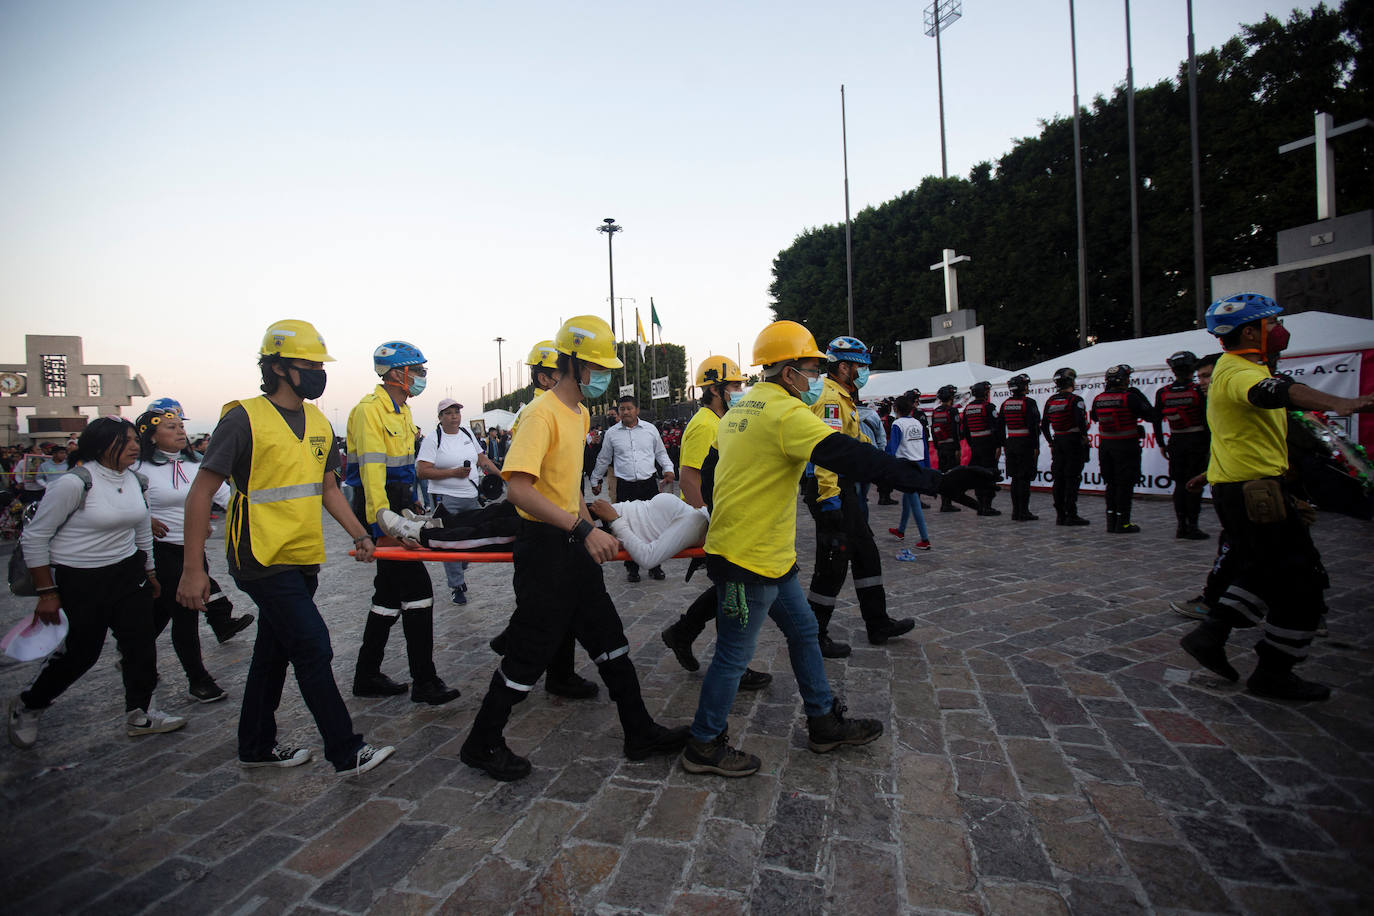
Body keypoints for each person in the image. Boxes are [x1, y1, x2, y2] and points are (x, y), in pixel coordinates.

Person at [681, 321, 950, 777]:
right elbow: (852, 456)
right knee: (732, 655)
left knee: (805, 632)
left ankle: (823, 721)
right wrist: (933, 480)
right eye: (812, 368)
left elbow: (710, 474)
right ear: (788, 372)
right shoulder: (786, 414)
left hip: (767, 555)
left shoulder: (739, 412)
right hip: (748, 560)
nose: (818, 378)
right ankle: (703, 744)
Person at [459, 315, 688, 781]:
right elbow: (519, 489)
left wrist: (602, 527)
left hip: (570, 543)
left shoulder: (580, 413)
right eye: (598, 366)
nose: (605, 375)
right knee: (527, 653)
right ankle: (481, 743)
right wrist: (583, 531)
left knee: (610, 638)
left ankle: (639, 731)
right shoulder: (540, 413)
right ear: (574, 363)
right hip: (544, 550)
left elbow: (565, 490)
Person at [178, 319, 393, 775]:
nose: (318, 372)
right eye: (308, 364)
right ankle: (346, 750)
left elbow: (329, 489)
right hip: (258, 555)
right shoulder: (243, 418)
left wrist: (360, 534)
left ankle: (255, 746)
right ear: (277, 367)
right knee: (312, 643)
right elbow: (201, 493)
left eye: (320, 364)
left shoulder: (318, 421)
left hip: (301, 554)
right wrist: (193, 568)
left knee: (273, 651)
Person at [1178, 294, 1374, 701]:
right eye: (1274, 322)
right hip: (1254, 493)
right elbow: (1276, 391)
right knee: (1302, 585)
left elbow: (1235, 436)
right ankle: (1274, 672)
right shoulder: (1237, 371)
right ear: (1251, 331)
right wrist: (1343, 402)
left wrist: (1209, 473)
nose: (1281, 329)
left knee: (1262, 569)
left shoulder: (1237, 370)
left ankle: (1211, 634)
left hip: (1247, 487)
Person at [8, 417, 186, 750]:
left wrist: (149, 572)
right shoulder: (74, 483)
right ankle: (30, 704)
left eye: (136, 439)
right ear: (102, 444)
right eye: (126, 440)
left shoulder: (135, 480)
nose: (135, 446)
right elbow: (35, 537)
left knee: (140, 644)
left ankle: (141, 712)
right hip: (81, 578)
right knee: (81, 652)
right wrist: (47, 592)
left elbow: (141, 528)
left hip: (128, 573)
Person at [345, 341, 460, 706]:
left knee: (387, 596)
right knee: (419, 593)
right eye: (419, 371)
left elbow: (404, 468)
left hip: (398, 505)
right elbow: (371, 472)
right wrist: (386, 521)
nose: (423, 377)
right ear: (397, 373)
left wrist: (414, 504)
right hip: (379, 510)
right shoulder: (369, 412)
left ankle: (366, 674)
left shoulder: (403, 412)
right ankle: (424, 681)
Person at [657, 356, 772, 689]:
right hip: (710, 519)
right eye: (734, 385)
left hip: (723, 517)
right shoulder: (705, 424)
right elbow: (690, 478)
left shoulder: (722, 419)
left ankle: (683, 634)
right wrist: (711, 520)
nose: (739, 390)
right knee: (735, 588)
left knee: (728, 588)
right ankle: (733, 663)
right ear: (714, 389)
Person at [802, 336, 914, 658]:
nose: (864, 372)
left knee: (866, 553)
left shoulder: (843, 396)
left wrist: (881, 460)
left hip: (842, 486)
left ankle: (878, 624)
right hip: (830, 488)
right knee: (833, 561)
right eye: (860, 366)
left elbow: (854, 440)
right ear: (843, 367)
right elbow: (826, 453)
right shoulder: (830, 398)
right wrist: (830, 499)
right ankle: (813, 633)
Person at [134, 407, 254, 704]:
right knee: (185, 614)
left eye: (180, 426)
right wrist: (145, 519)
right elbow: (125, 504)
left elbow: (226, 498)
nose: (179, 431)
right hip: (159, 551)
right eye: (170, 427)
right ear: (151, 436)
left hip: (193, 548)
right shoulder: (138, 470)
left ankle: (134, 651)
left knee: (162, 612)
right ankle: (198, 679)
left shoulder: (199, 463)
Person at [417, 398, 500, 605]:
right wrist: (452, 473)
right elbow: (422, 471)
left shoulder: (466, 433)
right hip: (446, 499)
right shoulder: (433, 439)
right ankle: (457, 585)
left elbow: (482, 460)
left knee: (471, 538)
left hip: (471, 496)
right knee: (450, 543)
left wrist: (502, 476)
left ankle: (461, 563)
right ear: (440, 417)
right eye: (448, 413)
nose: (454, 416)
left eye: (456, 412)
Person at [590, 395, 676, 582]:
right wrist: (595, 480)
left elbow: (661, 453)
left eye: (629, 408)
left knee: (653, 525)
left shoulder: (650, 430)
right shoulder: (612, 433)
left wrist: (669, 469)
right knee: (626, 526)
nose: (626, 412)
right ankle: (632, 567)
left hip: (648, 484)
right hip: (625, 486)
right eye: (622, 409)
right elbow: (604, 459)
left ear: (637, 410)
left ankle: (655, 565)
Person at [1090, 365, 1157, 533]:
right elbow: (1151, 415)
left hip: (1106, 447)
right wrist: (1139, 394)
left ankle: (1111, 521)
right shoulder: (1130, 397)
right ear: (1124, 380)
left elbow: (1094, 417)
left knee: (1111, 484)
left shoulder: (1099, 398)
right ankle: (1123, 522)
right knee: (1125, 485)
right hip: (1126, 447)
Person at [1153, 351, 1211, 540]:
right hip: (1197, 440)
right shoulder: (1198, 391)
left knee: (1179, 484)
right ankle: (1192, 526)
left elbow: (1156, 420)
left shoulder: (1164, 392)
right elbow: (1208, 419)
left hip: (1176, 441)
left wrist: (1161, 443)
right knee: (1194, 484)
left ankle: (1181, 525)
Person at [1040, 368, 1092, 526]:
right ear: (1071, 382)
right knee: (1072, 478)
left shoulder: (1051, 401)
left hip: (1058, 441)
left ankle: (1060, 514)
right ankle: (1071, 513)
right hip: (1073, 441)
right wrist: (1084, 438)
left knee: (1059, 479)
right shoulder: (1076, 400)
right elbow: (1080, 421)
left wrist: (1051, 441)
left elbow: (1044, 425)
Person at [886, 394, 932, 549]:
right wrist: (928, 466)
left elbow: (893, 446)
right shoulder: (918, 423)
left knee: (914, 503)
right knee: (908, 500)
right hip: (919, 463)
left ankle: (925, 539)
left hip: (906, 465)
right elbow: (925, 446)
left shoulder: (897, 424)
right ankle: (901, 530)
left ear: (896, 408)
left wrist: (888, 466)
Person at [998, 373, 1042, 521]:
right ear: (1023, 387)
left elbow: (1000, 426)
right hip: (1025, 443)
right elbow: (1034, 426)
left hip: (1011, 443)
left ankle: (1016, 511)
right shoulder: (1029, 403)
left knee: (1015, 479)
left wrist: (1004, 444)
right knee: (1024, 479)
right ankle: (1023, 511)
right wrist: (1036, 446)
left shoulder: (1005, 404)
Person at [961, 381, 1002, 516]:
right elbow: (996, 428)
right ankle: (987, 506)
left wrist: (972, 444)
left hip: (975, 446)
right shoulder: (989, 407)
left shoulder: (968, 409)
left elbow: (966, 431)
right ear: (985, 393)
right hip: (988, 446)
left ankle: (980, 505)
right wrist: (998, 445)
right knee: (989, 475)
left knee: (978, 475)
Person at [930, 385, 963, 512]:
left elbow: (933, 430)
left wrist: (937, 446)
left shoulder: (936, 411)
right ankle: (947, 503)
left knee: (943, 475)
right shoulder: (952, 411)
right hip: (951, 447)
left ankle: (944, 502)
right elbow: (955, 431)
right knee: (951, 475)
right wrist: (958, 448)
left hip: (941, 447)